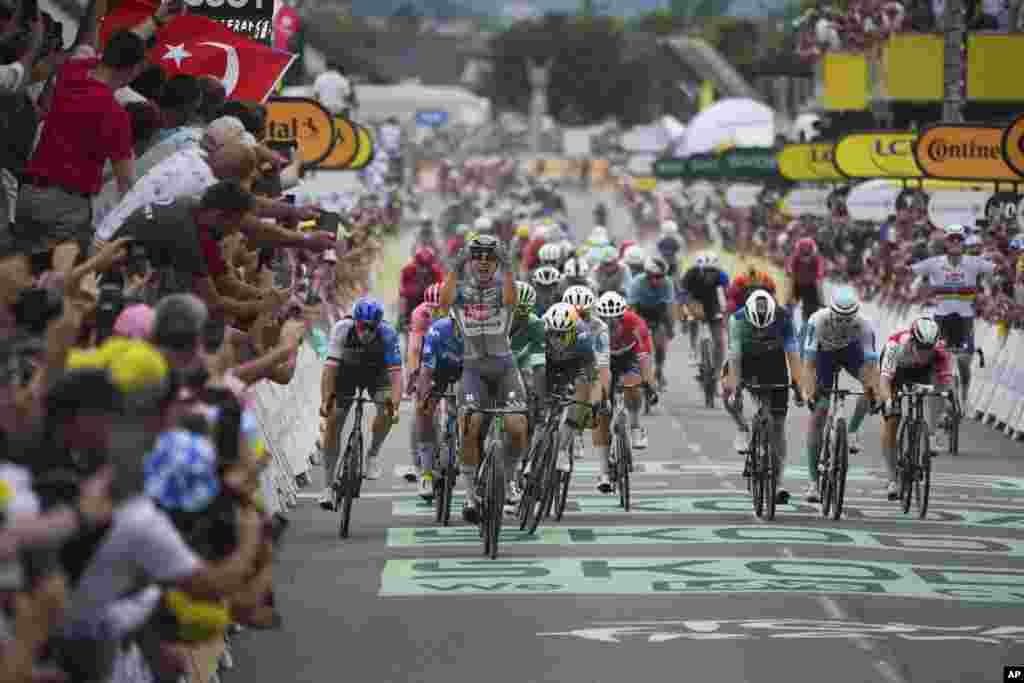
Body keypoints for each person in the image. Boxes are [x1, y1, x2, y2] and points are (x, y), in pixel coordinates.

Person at [438, 233, 527, 524]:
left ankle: (511, 479)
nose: (485, 263)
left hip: (504, 368)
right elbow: (444, 301)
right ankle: (469, 495)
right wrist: (456, 264)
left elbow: (512, 300)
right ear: (471, 261)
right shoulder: (461, 291)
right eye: (479, 258)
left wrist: (509, 265)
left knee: (516, 425)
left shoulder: (504, 288)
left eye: (491, 259)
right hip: (473, 368)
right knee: (471, 425)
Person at [318, 298, 402, 509]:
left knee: (387, 409)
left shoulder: (388, 334)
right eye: (362, 326)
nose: (366, 332)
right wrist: (325, 399)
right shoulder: (342, 329)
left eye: (371, 328)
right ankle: (327, 487)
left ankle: (372, 455)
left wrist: (396, 405)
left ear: (379, 325)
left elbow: (396, 377)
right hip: (347, 373)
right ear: (355, 322)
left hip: (377, 374)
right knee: (334, 418)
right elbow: (329, 370)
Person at [722, 290, 803, 505]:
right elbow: (735, 356)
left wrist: (797, 384)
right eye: (757, 326)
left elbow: (793, 354)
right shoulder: (737, 320)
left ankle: (778, 482)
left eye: (765, 326)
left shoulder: (784, 318)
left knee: (778, 427)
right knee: (727, 390)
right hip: (746, 359)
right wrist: (736, 390)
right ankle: (742, 427)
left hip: (774, 362)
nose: (761, 330)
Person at [801, 286, 880, 502]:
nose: (844, 323)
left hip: (850, 350)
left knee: (871, 385)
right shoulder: (817, 320)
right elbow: (807, 364)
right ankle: (813, 482)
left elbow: (872, 364)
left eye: (849, 319)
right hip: (823, 353)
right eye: (840, 318)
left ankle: (852, 431)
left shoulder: (865, 324)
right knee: (820, 410)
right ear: (831, 312)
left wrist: (873, 391)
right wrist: (809, 390)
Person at [910, 223, 996, 407]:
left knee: (964, 361)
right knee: (940, 359)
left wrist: (988, 295)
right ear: (946, 242)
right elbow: (911, 274)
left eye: (959, 239)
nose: (955, 241)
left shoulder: (974, 262)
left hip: (965, 320)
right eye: (952, 239)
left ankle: (964, 396)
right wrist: (915, 289)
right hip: (942, 319)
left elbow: (997, 273)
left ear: (963, 242)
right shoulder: (935, 262)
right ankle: (939, 397)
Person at [877, 317, 953, 499]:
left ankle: (923, 436)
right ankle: (891, 478)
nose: (925, 352)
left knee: (934, 397)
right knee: (892, 419)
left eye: (929, 349)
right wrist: (888, 401)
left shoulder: (939, 352)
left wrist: (947, 404)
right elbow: (885, 381)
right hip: (897, 371)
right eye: (921, 347)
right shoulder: (895, 346)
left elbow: (945, 384)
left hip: (921, 372)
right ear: (912, 341)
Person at [540, 301, 611, 492]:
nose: (556, 339)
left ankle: (562, 449)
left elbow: (593, 376)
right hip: (547, 365)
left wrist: (594, 402)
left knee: (581, 395)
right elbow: (530, 368)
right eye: (553, 334)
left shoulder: (583, 338)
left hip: (575, 365)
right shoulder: (540, 331)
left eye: (562, 335)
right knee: (536, 406)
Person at [595, 291, 658, 451]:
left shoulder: (635, 323)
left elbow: (644, 356)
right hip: (605, 358)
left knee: (634, 388)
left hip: (630, 356)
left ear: (623, 317)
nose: (609, 325)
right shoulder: (594, 325)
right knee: (603, 400)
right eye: (605, 321)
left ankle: (636, 427)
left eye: (614, 322)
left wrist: (649, 384)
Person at [413, 306, 463, 500]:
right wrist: (423, 399)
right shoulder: (437, 331)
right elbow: (426, 371)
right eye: (458, 325)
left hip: (465, 373)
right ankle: (426, 474)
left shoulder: (477, 334)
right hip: (438, 371)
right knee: (424, 411)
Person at [403, 283, 441, 485]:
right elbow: (415, 350)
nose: (434, 313)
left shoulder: (457, 312)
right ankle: (417, 462)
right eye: (431, 308)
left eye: (439, 308)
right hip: (426, 357)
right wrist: (413, 377)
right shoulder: (420, 314)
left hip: (447, 357)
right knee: (420, 407)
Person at [627, 256, 676, 389]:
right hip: (640, 312)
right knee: (635, 343)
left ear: (664, 276)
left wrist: (670, 328)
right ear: (646, 275)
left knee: (660, 344)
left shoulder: (668, 283)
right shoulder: (637, 283)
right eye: (651, 277)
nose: (655, 280)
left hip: (657, 313)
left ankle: (659, 370)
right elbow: (631, 309)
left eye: (659, 277)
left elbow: (669, 308)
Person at [679, 251, 729, 380]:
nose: (709, 275)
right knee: (692, 317)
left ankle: (718, 370)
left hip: (712, 303)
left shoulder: (721, 275)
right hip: (694, 300)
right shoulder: (690, 274)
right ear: (699, 269)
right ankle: (693, 349)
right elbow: (682, 295)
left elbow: (728, 295)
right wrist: (685, 312)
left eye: (712, 271)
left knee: (719, 340)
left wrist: (726, 313)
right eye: (706, 271)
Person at [398, 247, 444, 336]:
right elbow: (403, 292)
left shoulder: (436, 271)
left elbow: (441, 290)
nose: (424, 270)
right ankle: (404, 322)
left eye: (427, 267)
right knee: (404, 301)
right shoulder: (407, 270)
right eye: (421, 266)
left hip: (429, 302)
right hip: (412, 302)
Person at [786, 237, 826, 320]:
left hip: (811, 287)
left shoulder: (817, 259)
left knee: (811, 312)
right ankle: (788, 320)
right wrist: (789, 298)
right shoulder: (795, 257)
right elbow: (790, 273)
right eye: (803, 254)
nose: (805, 258)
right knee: (789, 307)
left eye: (807, 255)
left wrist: (821, 300)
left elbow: (819, 279)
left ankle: (808, 321)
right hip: (797, 284)